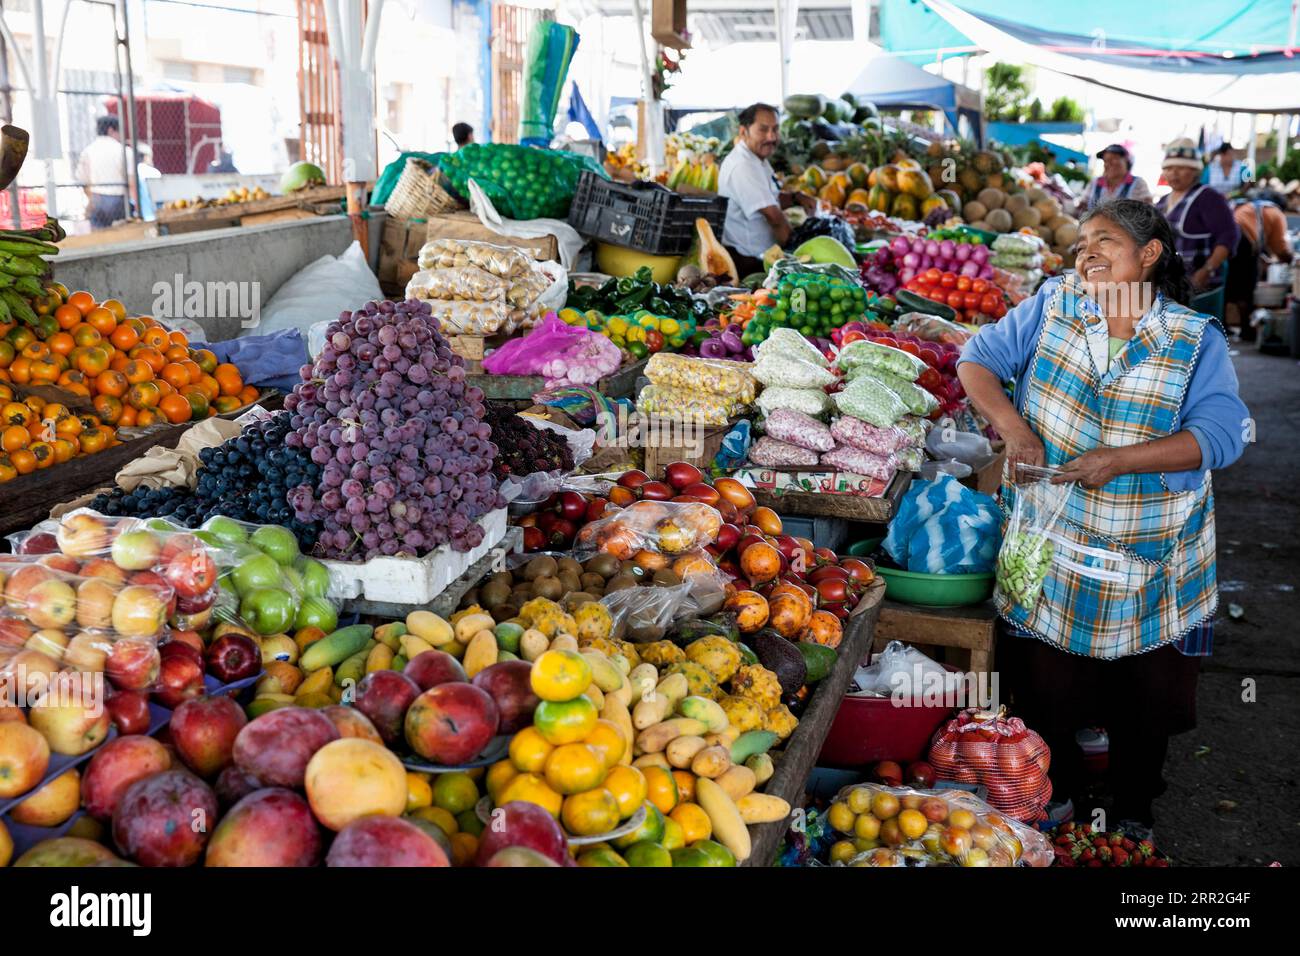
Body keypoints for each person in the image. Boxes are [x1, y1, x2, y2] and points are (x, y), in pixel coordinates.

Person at [957, 198, 1249, 836]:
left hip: (1150, 554)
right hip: (1051, 545)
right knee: (1045, 685)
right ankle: (1056, 796)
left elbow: (1224, 435)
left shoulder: (1193, 339)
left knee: (1147, 694)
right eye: (1082, 240)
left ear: (1149, 255)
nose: (1086, 252)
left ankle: (1134, 809)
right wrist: (1014, 431)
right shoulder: (1055, 304)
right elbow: (976, 360)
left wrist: (1123, 459)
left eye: (1106, 240)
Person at [717, 102, 812, 275]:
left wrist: (796, 197)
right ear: (743, 131)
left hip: (762, 257)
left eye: (775, 129)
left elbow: (771, 196)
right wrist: (798, 254)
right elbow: (774, 217)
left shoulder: (756, 158)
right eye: (763, 129)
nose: (771, 137)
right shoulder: (743, 166)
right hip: (750, 262)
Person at [1155, 138, 1239, 292]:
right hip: (1169, 284)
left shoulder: (1208, 198)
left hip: (1201, 284)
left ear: (1195, 171)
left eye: (1181, 168)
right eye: (1169, 168)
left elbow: (1229, 236)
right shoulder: (1161, 203)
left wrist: (1206, 270)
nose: (1174, 173)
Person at [1225, 189, 1294, 340]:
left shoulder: (1248, 206)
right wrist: (1291, 261)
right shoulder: (1275, 212)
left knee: (1228, 283)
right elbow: (1280, 246)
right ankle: (1246, 330)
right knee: (1246, 286)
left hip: (1227, 240)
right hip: (1243, 241)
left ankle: (1224, 326)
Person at [76, 115, 130, 230]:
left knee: (98, 236)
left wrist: (92, 199)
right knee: (123, 234)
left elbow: (83, 179)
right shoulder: (123, 151)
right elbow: (132, 180)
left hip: (97, 197)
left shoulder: (88, 151)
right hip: (119, 200)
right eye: (119, 131)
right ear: (111, 130)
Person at [1079, 144, 1152, 211]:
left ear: (1126, 160)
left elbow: (1148, 209)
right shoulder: (1095, 182)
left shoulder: (1138, 183)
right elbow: (1082, 205)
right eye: (1105, 161)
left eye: (1114, 159)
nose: (1108, 164)